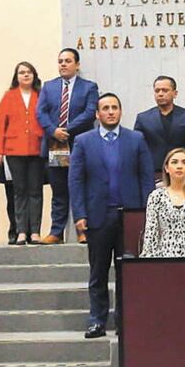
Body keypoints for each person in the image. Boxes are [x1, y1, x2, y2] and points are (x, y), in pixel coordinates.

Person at [69, 93, 154, 339]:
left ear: (120, 111)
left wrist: (146, 213)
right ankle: (97, 320)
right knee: (98, 272)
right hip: (98, 216)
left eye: (114, 107)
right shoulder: (83, 141)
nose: (110, 112)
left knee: (127, 272)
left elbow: (146, 178)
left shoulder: (136, 139)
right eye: (105, 108)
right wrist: (80, 214)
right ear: (97, 114)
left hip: (130, 217)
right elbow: (76, 181)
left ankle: (126, 321)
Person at [37, 48, 98, 244]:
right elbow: (40, 112)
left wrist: (67, 129)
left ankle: (83, 231)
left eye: (68, 61)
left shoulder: (89, 87)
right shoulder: (49, 86)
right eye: (60, 61)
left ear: (77, 65)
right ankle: (56, 232)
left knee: (81, 187)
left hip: (80, 144)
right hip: (57, 145)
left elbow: (90, 112)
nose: (63, 64)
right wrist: (53, 130)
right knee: (59, 190)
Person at [0, 61, 45, 245]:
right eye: (22, 72)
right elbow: (1, 124)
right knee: (19, 191)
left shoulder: (41, 95)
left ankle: (35, 232)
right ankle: (21, 231)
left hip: (36, 149)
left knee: (36, 191)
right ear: (16, 77)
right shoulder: (9, 96)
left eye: (29, 72)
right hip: (14, 150)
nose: (25, 75)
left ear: (34, 75)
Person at [134, 75, 185, 172]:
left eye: (165, 90)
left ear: (175, 93)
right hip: (153, 171)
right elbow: (137, 148)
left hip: (181, 171)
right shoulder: (143, 118)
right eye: (157, 91)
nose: (160, 94)